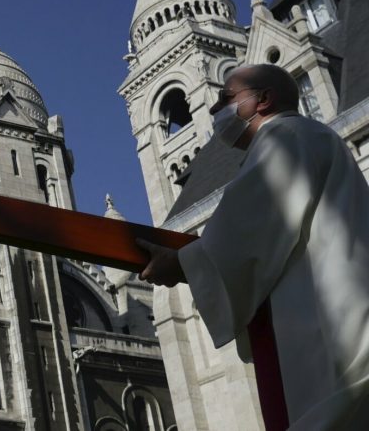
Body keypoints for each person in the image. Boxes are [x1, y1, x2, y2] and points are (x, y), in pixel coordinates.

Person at [138, 64, 369, 430]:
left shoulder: (287, 136)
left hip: (327, 340)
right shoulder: (305, 136)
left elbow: (250, 227)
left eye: (225, 99)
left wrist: (181, 263)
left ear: (263, 99)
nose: (214, 111)